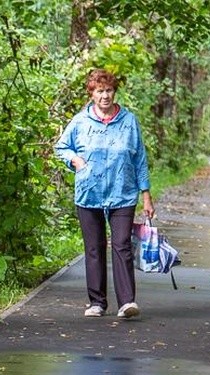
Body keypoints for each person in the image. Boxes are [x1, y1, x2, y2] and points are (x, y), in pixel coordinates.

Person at [55, 69, 155, 319]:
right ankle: (97, 302)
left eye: (108, 90)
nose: (105, 96)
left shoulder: (129, 121)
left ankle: (127, 302)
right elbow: (61, 147)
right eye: (99, 91)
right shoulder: (80, 121)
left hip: (123, 192)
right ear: (92, 94)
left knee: (121, 245)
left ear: (114, 92)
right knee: (94, 248)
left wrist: (146, 194)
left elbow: (140, 158)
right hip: (90, 193)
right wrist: (75, 160)